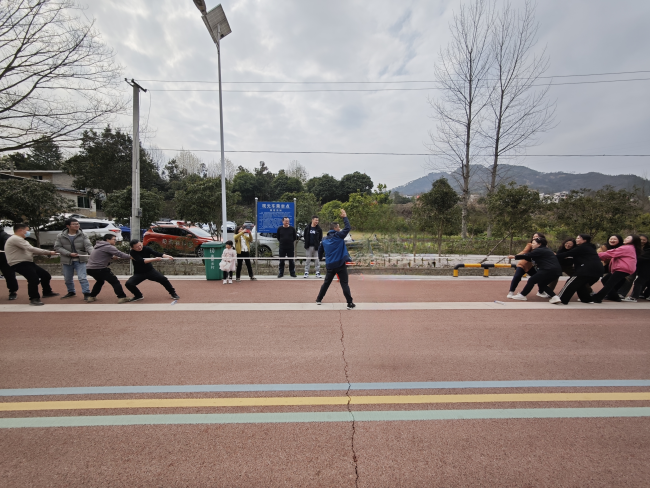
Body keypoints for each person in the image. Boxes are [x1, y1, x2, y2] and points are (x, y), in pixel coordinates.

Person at [5, 223, 59, 306]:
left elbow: (29, 251)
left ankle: (47, 292)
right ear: (20, 230)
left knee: (45, 275)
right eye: (27, 230)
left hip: (27, 262)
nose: (28, 232)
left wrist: (44, 253)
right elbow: (31, 249)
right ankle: (34, 298)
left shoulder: (21, 240)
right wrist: (49, 252)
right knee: (33, 279)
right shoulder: (15, 239)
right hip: (19, 263)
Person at [316, 209, 355, 309]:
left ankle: (319, 299)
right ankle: (350, 303)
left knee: (326, 283)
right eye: (339, 227)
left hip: (330, 265)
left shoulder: (324, 239)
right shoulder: (339, 236)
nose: (340, 228)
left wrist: (320, 259)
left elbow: (320, 251)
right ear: (335, 228)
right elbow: (348, 227)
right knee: (344, 283)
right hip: (340, 264)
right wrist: (345, 217)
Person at [550, 234, 604, 305]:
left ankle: (561, 298)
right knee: (580, 284)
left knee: (571, 282)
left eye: (578, 238)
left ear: (584, 240)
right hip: (597, 270)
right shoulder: (589, 248)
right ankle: (586, 299)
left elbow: (567, 253)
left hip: (586, 269)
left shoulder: (583, 247)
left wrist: (551, 256)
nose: (576, 239)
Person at [506, 237, 561, 301]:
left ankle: (522, 295)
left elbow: (528, 255)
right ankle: (555, 297)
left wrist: (514, 257)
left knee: (531, 280)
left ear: (539, 244)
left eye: (533, 243)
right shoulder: (546, 250)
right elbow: (530, 258)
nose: (532, 244)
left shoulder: (539, 250)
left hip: (547, 270)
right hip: (557, 272)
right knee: (542, 284)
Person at [591, 235, 641, 303]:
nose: (626, 239)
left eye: (628, 238)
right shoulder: (631, 248)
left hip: (623, 268)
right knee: (605, 280)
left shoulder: (627, 248)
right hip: (624, 268)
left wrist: (595, 255)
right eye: (626, 237)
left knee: (609, 283)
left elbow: (611, 253)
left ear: (633, 240)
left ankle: (598, 298)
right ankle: (614, 296)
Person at [53, 218, 94, 300]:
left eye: (78, 224)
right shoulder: (60, 236)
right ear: (68, 226)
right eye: (74, 224)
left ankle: (86, 293)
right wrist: (69, 254)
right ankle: (71, 292)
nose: (77, 225)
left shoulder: (83, 235)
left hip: (80, 259)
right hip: (67, 260)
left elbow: (88, 246)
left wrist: (93, 254)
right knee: (67, 278)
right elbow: (57, 247)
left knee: (82, 277)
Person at [86, 234, 133, 303]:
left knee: (100, 281)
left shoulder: (98, 246)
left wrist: (111, 257)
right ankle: (122, 297)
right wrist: (131, 257)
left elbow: (100, 255)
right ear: (108, 239)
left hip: (89, 269)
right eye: (114, 239)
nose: (115, 241)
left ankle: (91, 296)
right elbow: (120, 254)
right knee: (115, 281)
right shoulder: (108, 247)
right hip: (100, 268)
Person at [507, 232, 546, 298]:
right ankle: (511, 292)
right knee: (517, 276)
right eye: (533, 237)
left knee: (539, 278)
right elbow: (524, 252)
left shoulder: (544, 247)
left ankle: (541, 291)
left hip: (532, 266)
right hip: (523, 264)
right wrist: (515, 256)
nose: (534, 238)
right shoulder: (530, 245)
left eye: (536, 237)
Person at [623, 235, 650, 302]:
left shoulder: (648, 249)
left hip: (647, 269)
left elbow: (641, 258)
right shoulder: (636, 247)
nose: (642, 241)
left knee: (638, 282)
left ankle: (633, 297)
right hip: (640, 268)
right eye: (640, 239)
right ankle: (644, 295)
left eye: (644, 240)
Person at [0, 227, 19, 300]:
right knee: (9, 276)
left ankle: (13, 291)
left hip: (4, 260)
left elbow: (10, 244)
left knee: (9, 276)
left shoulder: (4, 235)